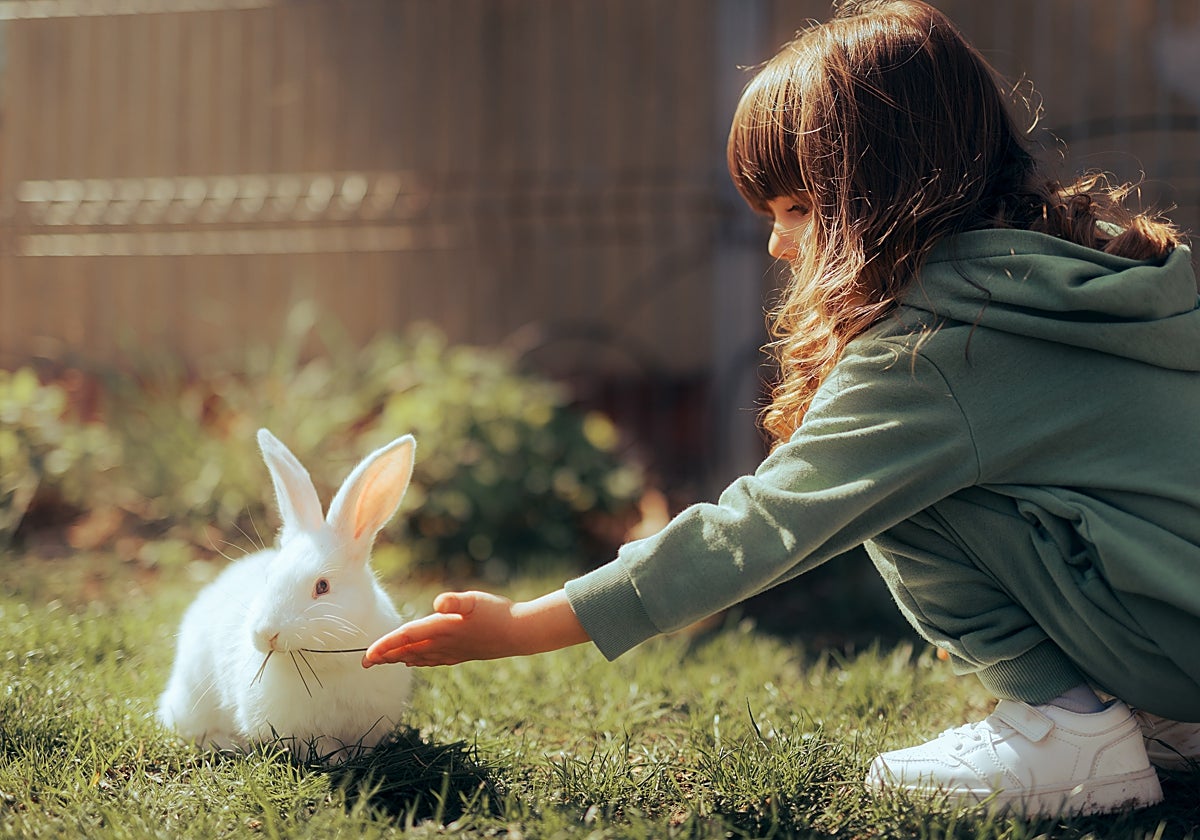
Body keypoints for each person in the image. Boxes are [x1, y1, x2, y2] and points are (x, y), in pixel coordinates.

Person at [363, 0, 1200, 817]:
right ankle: (1153, 718)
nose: (777, 242)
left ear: (878, 193)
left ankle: (1070, 729)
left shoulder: (941, 349)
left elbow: (762, 524)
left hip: (1172, 646)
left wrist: (523, 627)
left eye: (798, 207)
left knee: (883, 490)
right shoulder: (1087, 279)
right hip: (1178, 624)